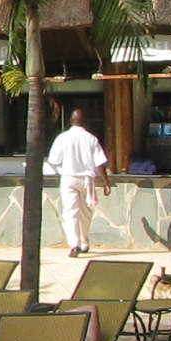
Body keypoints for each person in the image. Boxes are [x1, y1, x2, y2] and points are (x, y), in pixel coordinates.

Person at [45, 107, 112, 258]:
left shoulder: (62, 138)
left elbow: (53, 160)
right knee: (86, 212)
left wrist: (60, 170)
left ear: (70, 121)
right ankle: (83, 242)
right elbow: (99, 163)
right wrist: (106, 182)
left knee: (70, 212)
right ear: (85, 122)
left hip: (68, 177)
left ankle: (75, 244)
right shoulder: (91, 138)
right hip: (86, 180)